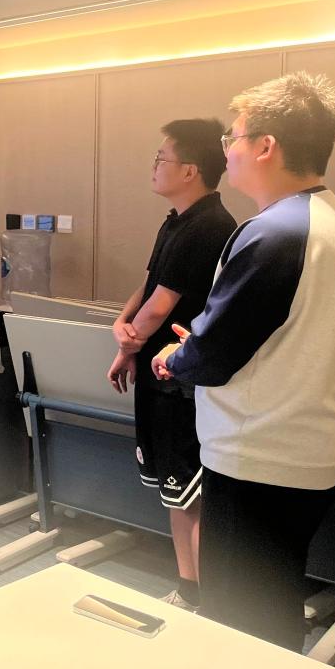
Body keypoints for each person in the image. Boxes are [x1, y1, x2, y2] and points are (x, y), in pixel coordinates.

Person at [152, 72, 335, 650]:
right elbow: (276, 329)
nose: (227, 150)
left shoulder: (273, 232)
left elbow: (213, 356)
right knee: (271, 599)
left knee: (241, 623)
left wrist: (178, 354)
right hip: (311, 447)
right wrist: (205, 340)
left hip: (260, 457)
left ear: (266, 146)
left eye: (234, 137)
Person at [107, 119, 237, 613]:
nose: (154, 166)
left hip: (180, 379)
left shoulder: (210, 226)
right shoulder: (177, 220)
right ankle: (188, 589)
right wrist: (123, 326)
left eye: (162, 159)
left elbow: (163, 306)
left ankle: (203, 599)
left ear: (190, 170)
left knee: (191, 494)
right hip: (158, 371)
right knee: (175, 493)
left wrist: (130, 342)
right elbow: (149, 286)